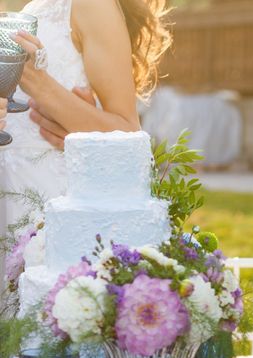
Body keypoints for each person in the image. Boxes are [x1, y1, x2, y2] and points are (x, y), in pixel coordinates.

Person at [0, 0, 170, 234]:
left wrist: (38, 84)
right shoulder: (33, 8)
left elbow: (128, 135)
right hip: (10, 195)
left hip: (52, 205)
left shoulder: (92, 4)